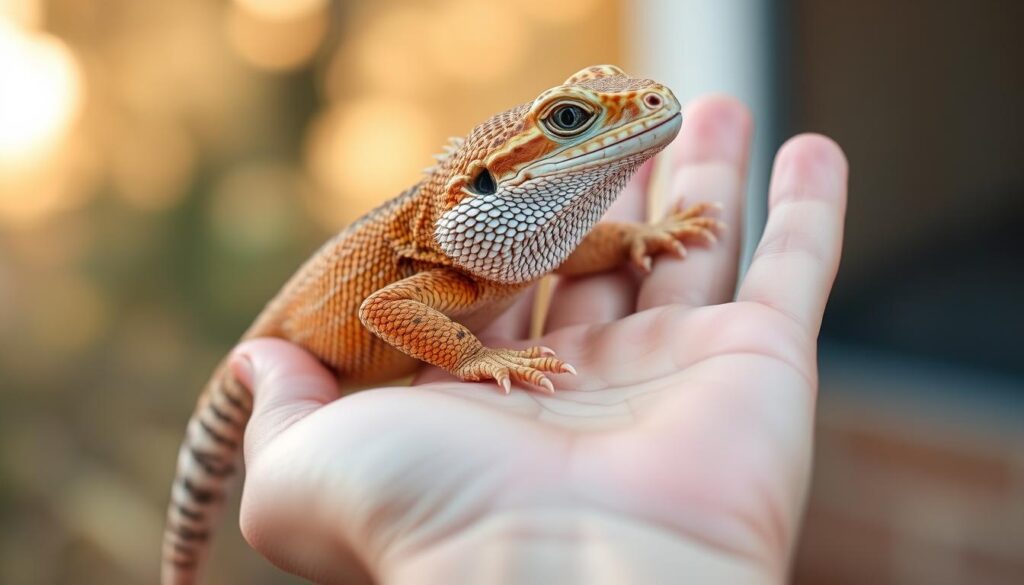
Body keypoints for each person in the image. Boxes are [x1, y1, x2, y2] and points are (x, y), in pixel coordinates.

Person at [230, 96, 847, 584]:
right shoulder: (443, 272)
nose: (648, 103)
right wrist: (473, 356)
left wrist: (636, 237)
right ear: (486, 183)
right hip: (319, 344)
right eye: (571, 120)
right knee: (196, 507)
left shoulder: (505, 247)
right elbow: (383, 306)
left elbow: (564, 251)